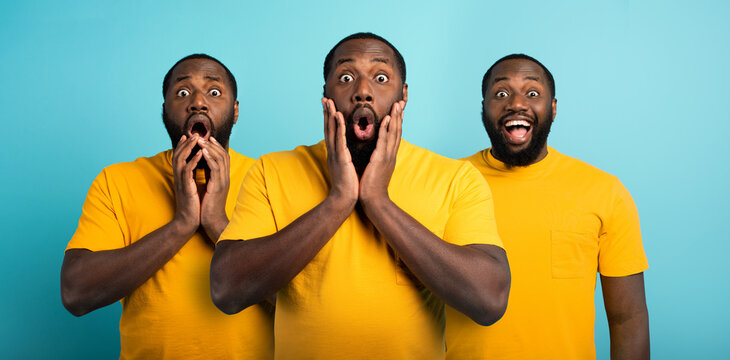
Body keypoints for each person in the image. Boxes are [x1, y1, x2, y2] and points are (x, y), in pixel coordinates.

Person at [210, 33, 511, 359]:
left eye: (381, 78)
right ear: (326, 93)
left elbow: (489, 300)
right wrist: (338, 201)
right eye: (345, 78)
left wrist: (378, 202)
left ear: (403, 95)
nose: (363, 92)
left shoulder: (456, 179)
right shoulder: (272, 171)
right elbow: (227, 290)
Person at [60, 54, 274, 359]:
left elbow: (301, 298)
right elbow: (75, 292)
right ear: (164, 111)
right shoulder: (117, 181)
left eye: (214, 92)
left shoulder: (269, 180)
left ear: (236, 110)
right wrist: (182, 223)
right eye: (182, 93)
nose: (198, 103)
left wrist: (215, 223)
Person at [445, 54, 649, 360]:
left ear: (552, 109)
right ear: (483, 110)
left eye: (532, 93)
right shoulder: (446, 182)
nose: (516, 103)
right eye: (501, 94)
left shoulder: (605, 191)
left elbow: (628, 318)